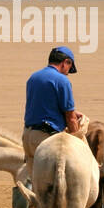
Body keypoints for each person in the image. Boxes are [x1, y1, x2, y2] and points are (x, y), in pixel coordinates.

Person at [22, 46, 83, 176]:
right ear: (66, 62)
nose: (67, 72)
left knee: (35, 182)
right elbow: (71, 118)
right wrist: (78, 141)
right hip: (46, 138)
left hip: (28, 136)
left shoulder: (34, 77)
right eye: (69, 68)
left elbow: (41, 105)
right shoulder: (62, 81)